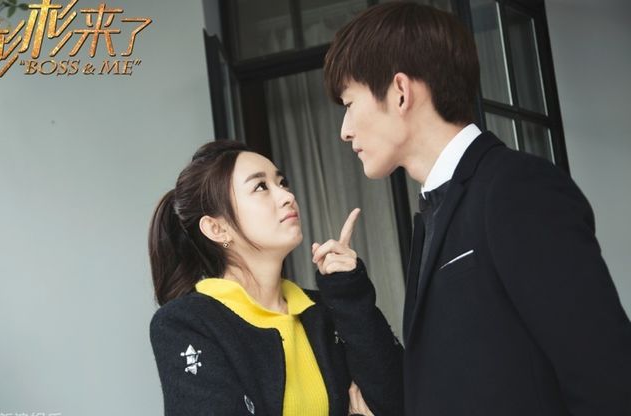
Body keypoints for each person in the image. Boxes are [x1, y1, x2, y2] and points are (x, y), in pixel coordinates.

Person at [311, 2, 631, 416]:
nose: (344, 130)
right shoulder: (432, 214)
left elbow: (607, 377)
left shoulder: (516, 188)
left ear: (400, 92)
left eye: (349, 103)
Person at [147, 140, 376, 416]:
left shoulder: (322, 310)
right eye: (260, 187)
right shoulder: (186, 322)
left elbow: (399, 400)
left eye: (282, 183)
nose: (287, 196)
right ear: (217, 229)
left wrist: (349, 292)